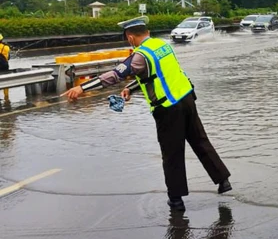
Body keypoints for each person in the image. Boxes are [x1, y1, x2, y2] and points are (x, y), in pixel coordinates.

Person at [64, 17, 231, 211]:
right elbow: (158, 73)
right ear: (147, 32)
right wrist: (131, 88)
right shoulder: (162, 45)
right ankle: (223, 180)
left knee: (172, 154)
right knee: (200, 141)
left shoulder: (139, 55)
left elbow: (115, 75)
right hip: (186, 98)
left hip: (168, 107)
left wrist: (82, 88)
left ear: (130, 37)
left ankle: (176, 200)